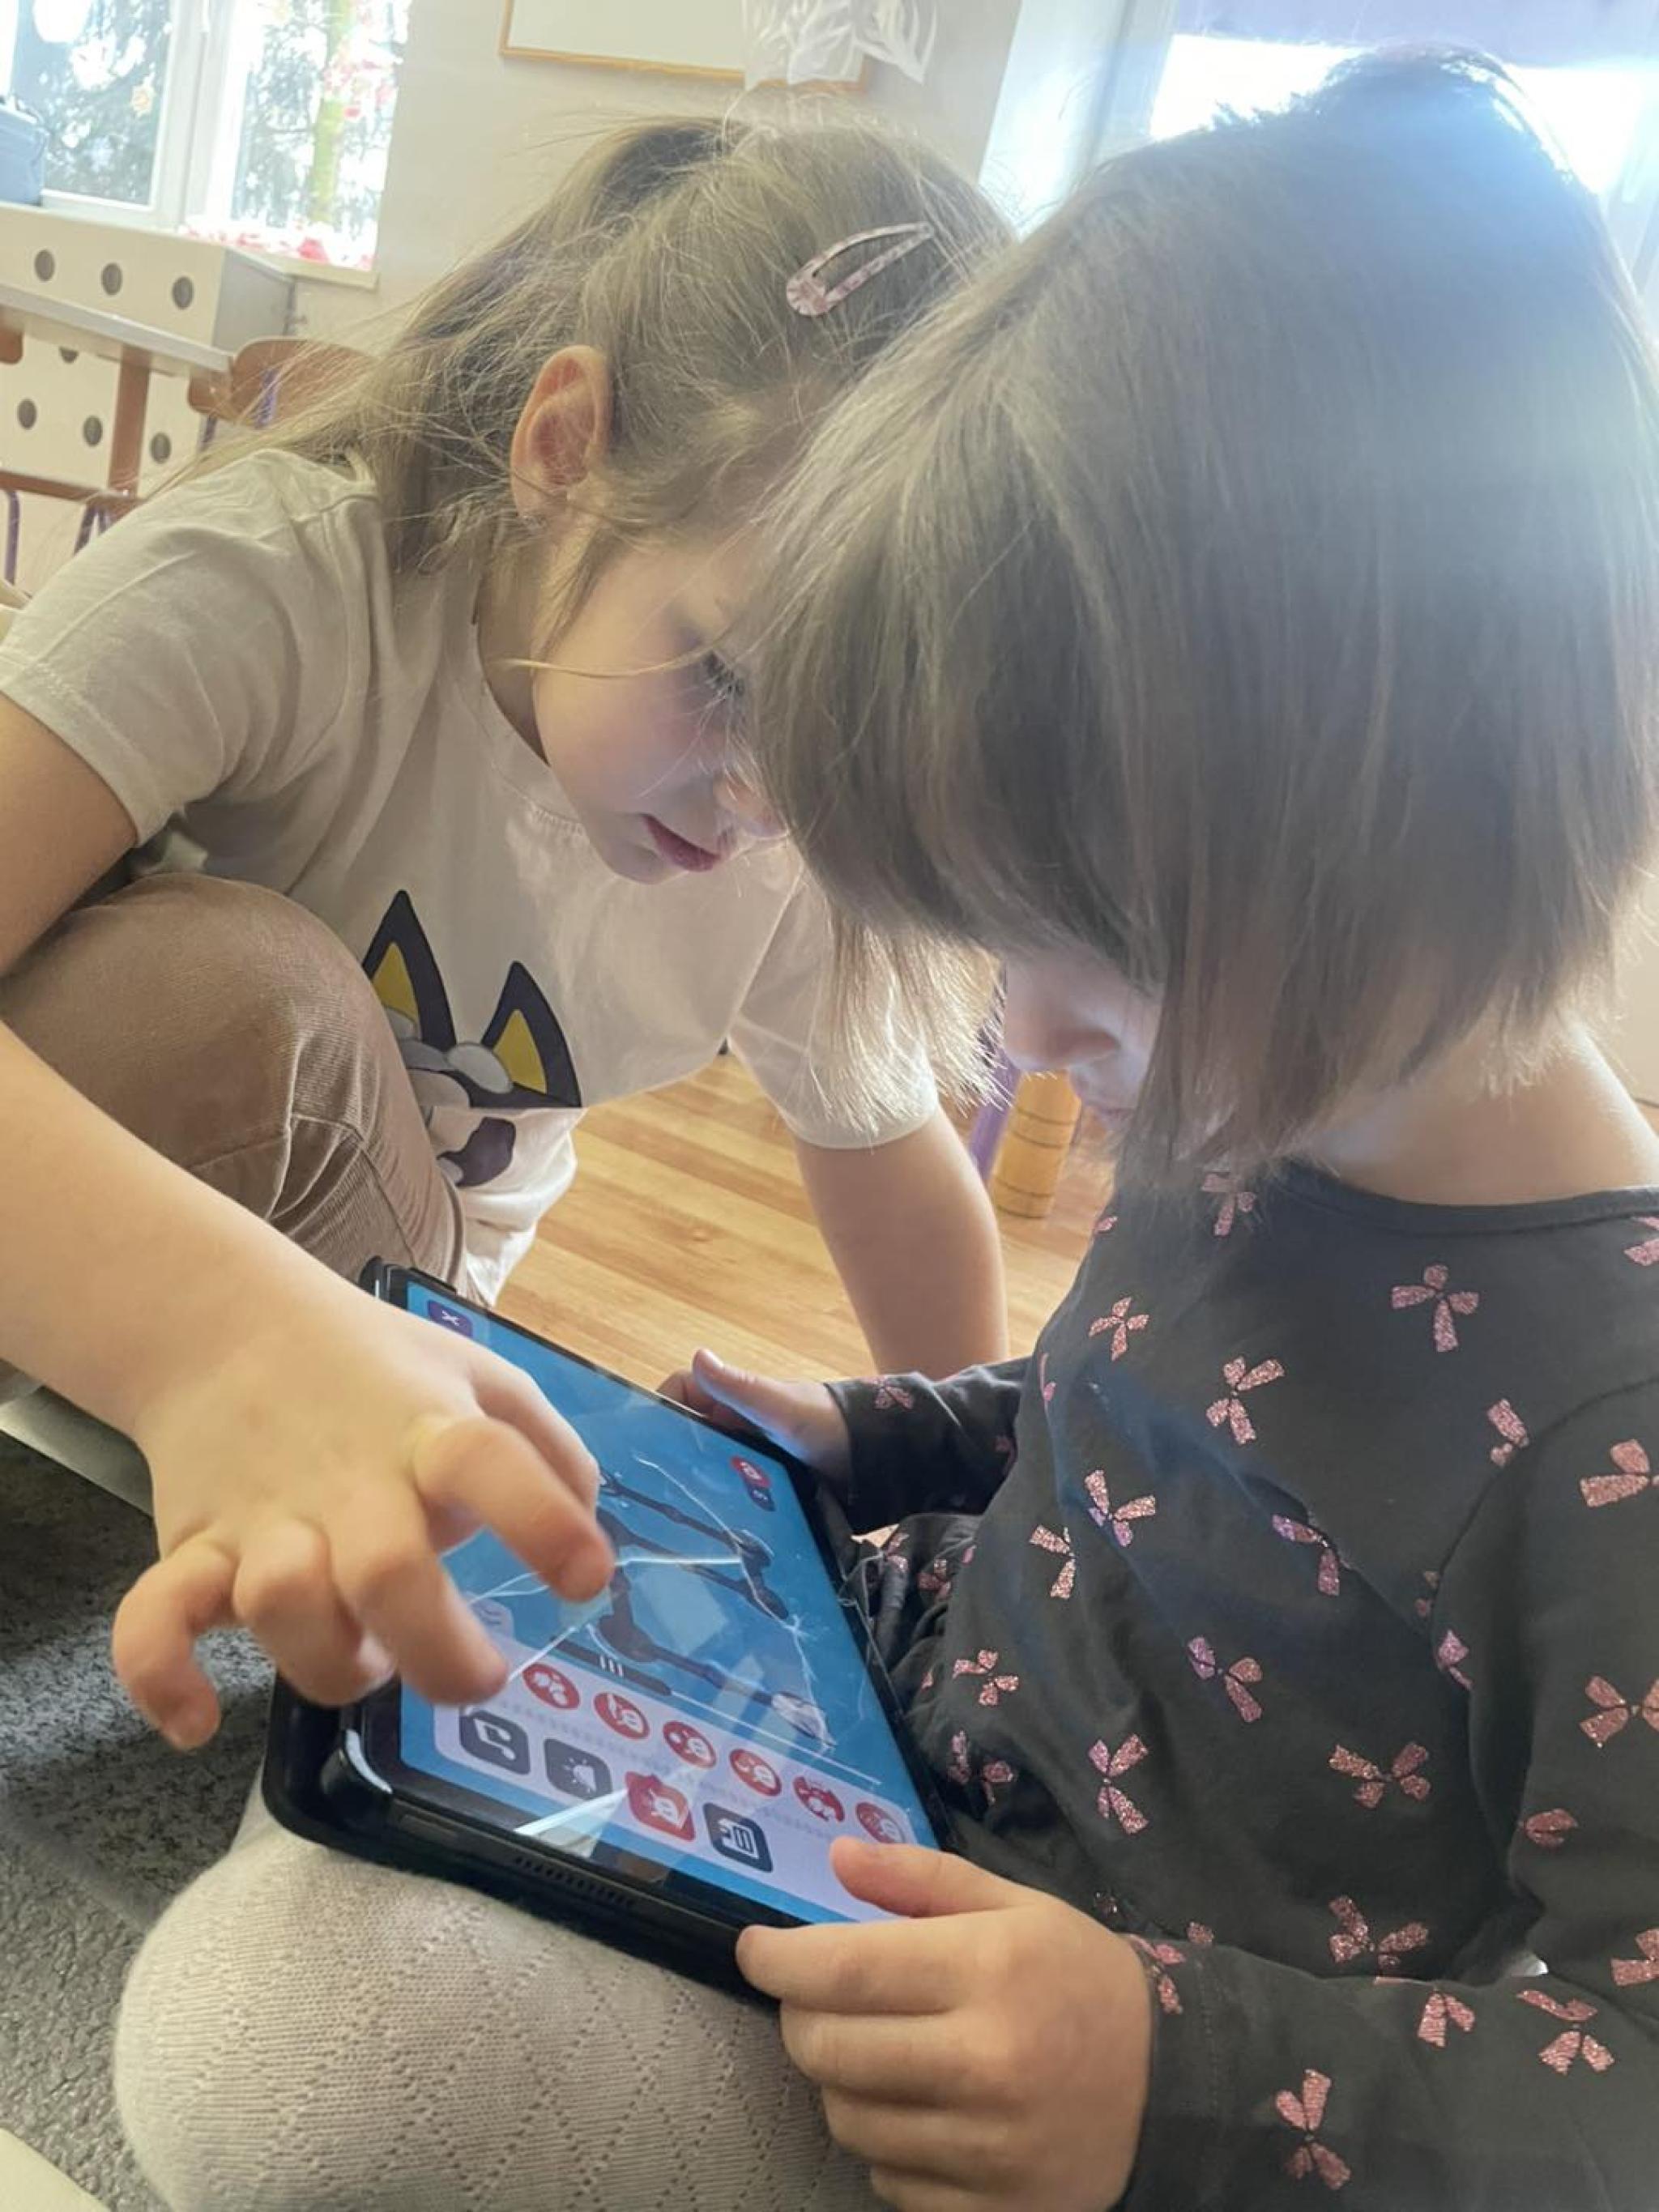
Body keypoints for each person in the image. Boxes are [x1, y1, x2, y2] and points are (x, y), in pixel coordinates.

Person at [115, 50, 1659, 2212]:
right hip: (879, 1764)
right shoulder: (1263, 1107)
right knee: (393, 1711)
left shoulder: (1614, 1418)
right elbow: (1132, 1433)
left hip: (1052, 2072)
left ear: (1416, 835)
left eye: (1091, 945)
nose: (1023, 1031)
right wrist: (885, 1434)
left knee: (289, 2051)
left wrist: (1171, 2076)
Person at [0, 114, 1011, 1758]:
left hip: (398, 1298)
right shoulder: (278, 583)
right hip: (152, 1212)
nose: (767, 802)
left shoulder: (791, 853)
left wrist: (990, 1554)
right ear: (562, 448)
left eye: (842, 753)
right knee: (236, 1005)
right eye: (729, 679)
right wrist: (211, 1337)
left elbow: (906, 1199)